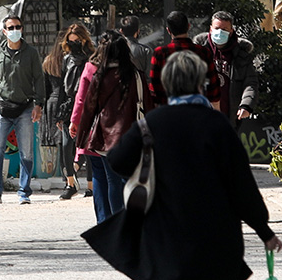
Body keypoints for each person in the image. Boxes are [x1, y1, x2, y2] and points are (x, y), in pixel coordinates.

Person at [100, 50, 282, 280]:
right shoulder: (218, 126)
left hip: (168, 235)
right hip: (217, 234)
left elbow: (117, 161)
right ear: (201, 82)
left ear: (167, 84)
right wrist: (264, 230)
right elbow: (242, 186)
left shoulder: (151, 125)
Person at [69, 30, 153, 223]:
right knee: (123, 180)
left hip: (102, 137)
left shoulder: (96, 72)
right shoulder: (135, 74)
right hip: (130, 136)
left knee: (103, 177)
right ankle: (122, 223)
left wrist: (80, 139)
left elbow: (85, 105)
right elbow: (147, 105)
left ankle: (106, 223)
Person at [0, 14, 45, 205]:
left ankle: (24, 192)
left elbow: (39, 79)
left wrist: (38, 105)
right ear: (4, 31)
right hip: (2, 108)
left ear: (22, 29)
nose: (14, 30)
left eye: (18, 27)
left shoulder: (31, 53)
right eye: (11, 28)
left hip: (25, 108)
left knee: (26, 152)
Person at [193, 11, 258, 127]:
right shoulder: (197, 52)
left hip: (229, 118)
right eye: (217, 28)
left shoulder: (241, 56)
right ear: (210, 29)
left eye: (224, 29)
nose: (220, 32)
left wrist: (246, 105)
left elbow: (250, 83)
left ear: (231, 31)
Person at [149, 11, 220, 110]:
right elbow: (213, 89)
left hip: (169, 112)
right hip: (198, 112)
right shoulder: (203, 52)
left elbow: (155, 89)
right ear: (188, 26)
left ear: (168, 30)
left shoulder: (160, 53)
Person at [57, 24, 96, 200]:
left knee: (87, 146)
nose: (74, 45)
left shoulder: (91, 58)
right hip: (69, 104)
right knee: (66, 146)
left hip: (87, 104)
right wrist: (59, 111)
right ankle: (70, 183)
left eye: (77, 41)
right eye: (71, 41)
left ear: (84, 40)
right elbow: (61, 86)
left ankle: (90, 185)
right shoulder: (66, 59)